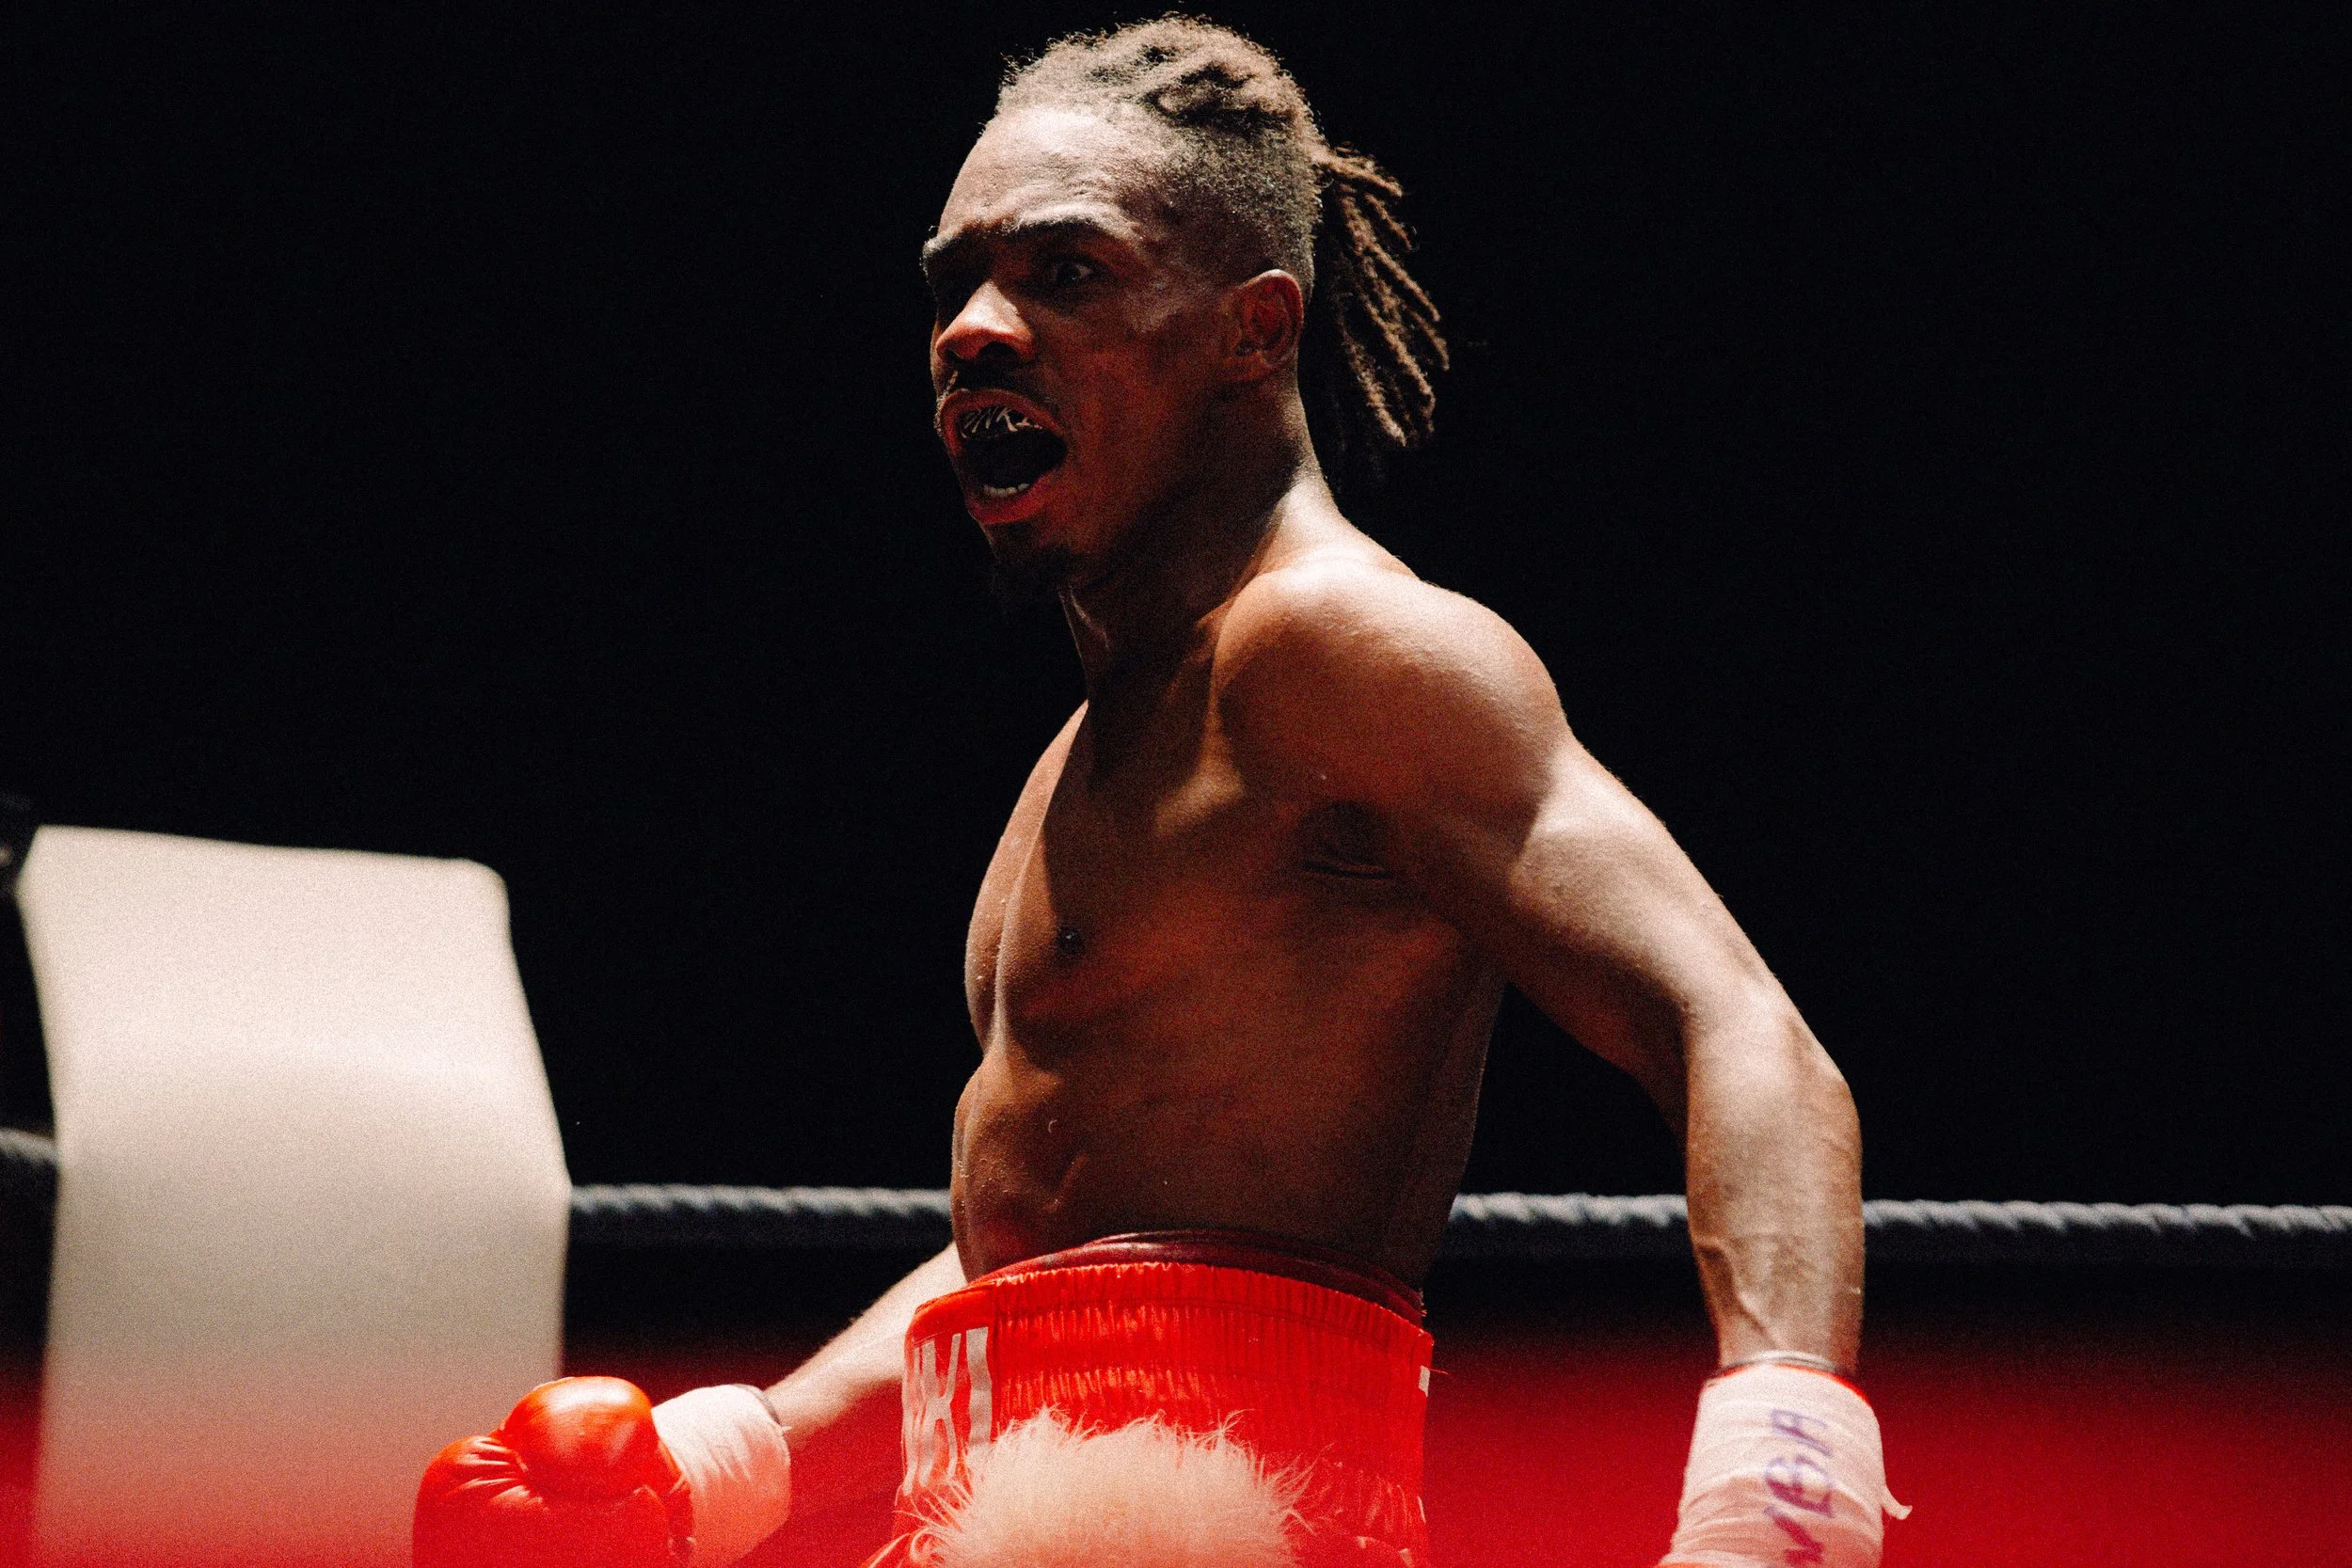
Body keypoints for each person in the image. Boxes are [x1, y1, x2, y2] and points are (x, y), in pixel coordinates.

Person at [415, 19, 1903, 1568]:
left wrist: (1778, 1501)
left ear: (1255, 331)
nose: (977, 331)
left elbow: (1739, 1028)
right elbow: (1052, 1272)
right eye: (954, 284)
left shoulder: (1349, 650)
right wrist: (740, 1457)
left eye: (1068, 274)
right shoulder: (1085, 755)